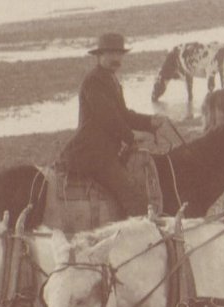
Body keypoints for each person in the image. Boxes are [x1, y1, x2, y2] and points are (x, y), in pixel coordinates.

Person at [58, 32, 170, 216]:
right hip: (94, 152)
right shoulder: (93, 81)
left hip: (106, 150)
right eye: (111, 54)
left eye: (119, 54)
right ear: (99, 55)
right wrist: (132, 136)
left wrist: (150, 122)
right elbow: (108, 118)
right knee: (134, 198)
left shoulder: (111, 79)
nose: (116, 58)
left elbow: (123, 114)